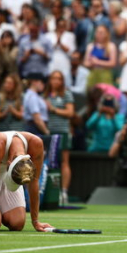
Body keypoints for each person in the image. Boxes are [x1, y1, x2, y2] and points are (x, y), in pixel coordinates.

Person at [44, 70, 75, 204]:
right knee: (49, 162)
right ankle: (49, 192)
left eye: (58, 79)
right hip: (48, 132)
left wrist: (53, 109)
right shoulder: (45, 95)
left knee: (64, 161)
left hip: (62, 131)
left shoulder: (66, 94)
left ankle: (64, 192)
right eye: (53, 78)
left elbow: (70, 112)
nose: (56, 81)